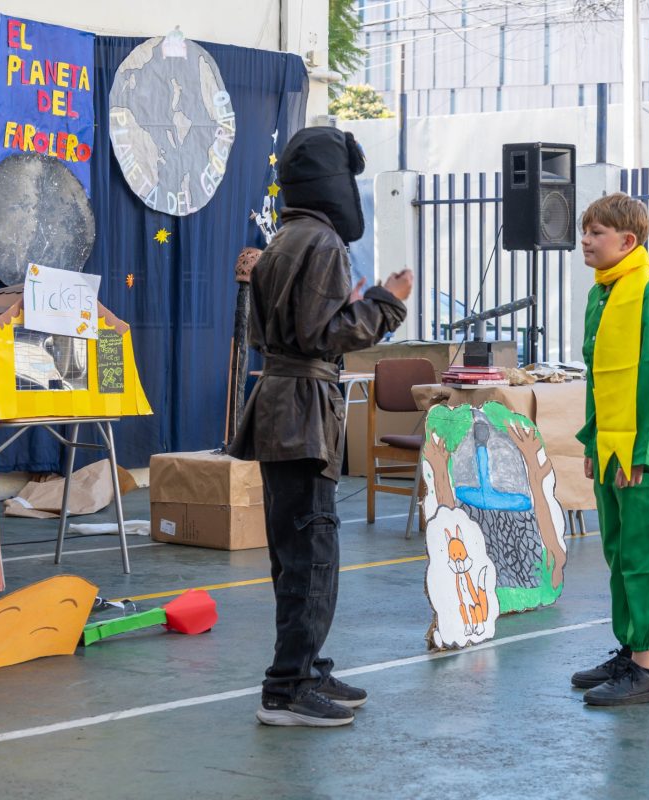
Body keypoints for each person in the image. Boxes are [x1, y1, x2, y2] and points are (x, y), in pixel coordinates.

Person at [228, 127, 413, 727]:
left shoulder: (282, 239)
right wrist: (386, 301)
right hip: (303, 409)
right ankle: (286, 687)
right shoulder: (323, 243)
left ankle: (305, 667)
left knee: (296, 549)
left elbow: (279, 328)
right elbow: (325, 334)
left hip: (281, 403)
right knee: (313, 552)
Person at [571, 192, 649, 706]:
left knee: (645, 555)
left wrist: (640, 452)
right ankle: (628, 649)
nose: (586, 240)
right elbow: (598, 380)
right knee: (618, 552)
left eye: (596, 233)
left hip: (643, 451)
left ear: (627, 241)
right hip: (610, 446)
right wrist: (595, 439)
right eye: (585, 231)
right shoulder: (602, 295)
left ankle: (647, 669)